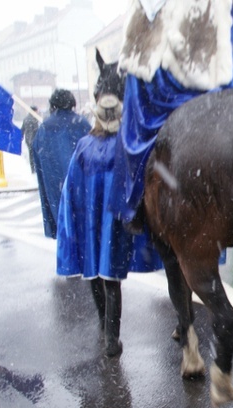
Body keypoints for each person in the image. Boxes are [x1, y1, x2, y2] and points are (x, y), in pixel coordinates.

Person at [56, 56, 163, 358]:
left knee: (95, 276)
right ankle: (111, 339)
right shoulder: (127, 148)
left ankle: (104, 329)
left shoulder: (83, 147)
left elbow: (70, 192)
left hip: (90, 225)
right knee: (111, 278)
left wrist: (71, 224)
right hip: (115, 224)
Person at [112, 0, 233, 228]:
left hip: (160, 93)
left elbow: (136, 92)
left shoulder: (145, 6)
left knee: (132, 132)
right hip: (210, 91)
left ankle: (135, 205)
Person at [31, 89, 90, 239]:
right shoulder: (82, 124)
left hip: (56, 192)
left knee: (65, 234)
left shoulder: (44, 128)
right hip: (82, 190)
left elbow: (37, 157)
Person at [21, 106, 40, 173]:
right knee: (36, 155)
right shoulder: (35, 119)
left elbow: (22, 129)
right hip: (34, 139)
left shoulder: (26, 119)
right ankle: (36, 169)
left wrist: (21, 137)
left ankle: (32, 169)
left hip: (28, 139)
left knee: (31, 154)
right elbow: (36, 130)